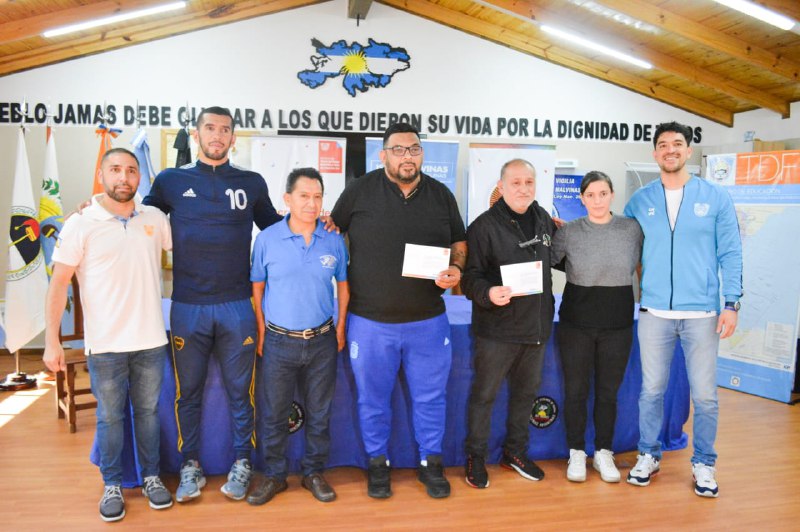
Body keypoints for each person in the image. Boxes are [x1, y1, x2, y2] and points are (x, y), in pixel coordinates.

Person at [144, 106, 283, 502]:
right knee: (188, 393)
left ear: (234, 137)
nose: (217, 135)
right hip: (187, 306)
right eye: (210, 128)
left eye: (225, 129)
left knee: (243, 392)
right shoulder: (171, 180)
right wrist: (97, 208)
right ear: (196, 133)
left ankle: (242, 462)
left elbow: (276, 229)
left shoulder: (251, 182)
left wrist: (315, 221)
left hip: (237, 306)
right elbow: (138, 217)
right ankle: (190, 465)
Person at [330, 122, 466, 499]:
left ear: (422, 153)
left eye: (414, 149)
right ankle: (377, 464)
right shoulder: (359, 190)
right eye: (399, 149)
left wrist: (456, 269)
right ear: (383, 154)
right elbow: (332, 230)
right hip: (369, 321)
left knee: (431, 398)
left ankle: (431, 463)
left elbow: (458, 241)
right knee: (372, 399)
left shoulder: (441, 195)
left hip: (428, 320)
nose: (408, 156)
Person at [43, 148, 173, 522]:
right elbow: (58, 286)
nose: (125, 177)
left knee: (149, 414)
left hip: (150, 340)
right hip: (106, 346)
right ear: (102, 175)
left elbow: (190, 244)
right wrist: (52, 341)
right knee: (111, 418)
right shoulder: (81, 223)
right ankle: (112, 484)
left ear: (139, 178)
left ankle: (151, 478)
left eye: (131, 171)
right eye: (115, 170)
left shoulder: (155, 218)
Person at [624, 121, 742, 498]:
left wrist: (732, 303)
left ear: (689, 151)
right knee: (651, 391)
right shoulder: (640, 201)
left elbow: (731, 252)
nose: (670, 149)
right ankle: (648, 454)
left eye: (678, 144)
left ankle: (704, 462)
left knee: (705, 395)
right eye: (663, 145)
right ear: (655, 153)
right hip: (655, 313)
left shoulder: (716, 197)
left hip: (703, 315)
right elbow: (618, 242)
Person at [247, 168, 349, 506]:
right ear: (287, 199)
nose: (311, 203)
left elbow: (344, 286)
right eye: (304, 196)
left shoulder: (334, 239)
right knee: (274, 413)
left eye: (318, 196)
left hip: (321, 341)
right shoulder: (267, 240)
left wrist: (340, 327)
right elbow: (257, 289)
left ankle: (313, 472)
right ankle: (274, 476)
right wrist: (261, 331)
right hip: (278, 341)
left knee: (320, 413)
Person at [461, 159, 557, 489]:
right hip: (497, 330)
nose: (523, 188)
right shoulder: (483, 226)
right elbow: (469, 278)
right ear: (501, 186)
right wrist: (488, 292)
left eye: (529, 182)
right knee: (484, 396)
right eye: (516, 182)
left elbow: (556, 259)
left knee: (524, 396)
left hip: (537, 327)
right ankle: (475, 456)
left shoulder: (543, 218)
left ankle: (514, 452)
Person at [550, 171, 643, 483]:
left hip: (617, 325)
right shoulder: (569, 232)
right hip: (576, 324)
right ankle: (576, 451)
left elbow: (644, 262)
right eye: (591, 195)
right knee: (575, 391)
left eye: (603, 193)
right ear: (582, 199)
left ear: (612, 195)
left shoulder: (631, 230)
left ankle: (603, 451)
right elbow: (550, 260)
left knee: (607, 393)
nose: (597, 200)